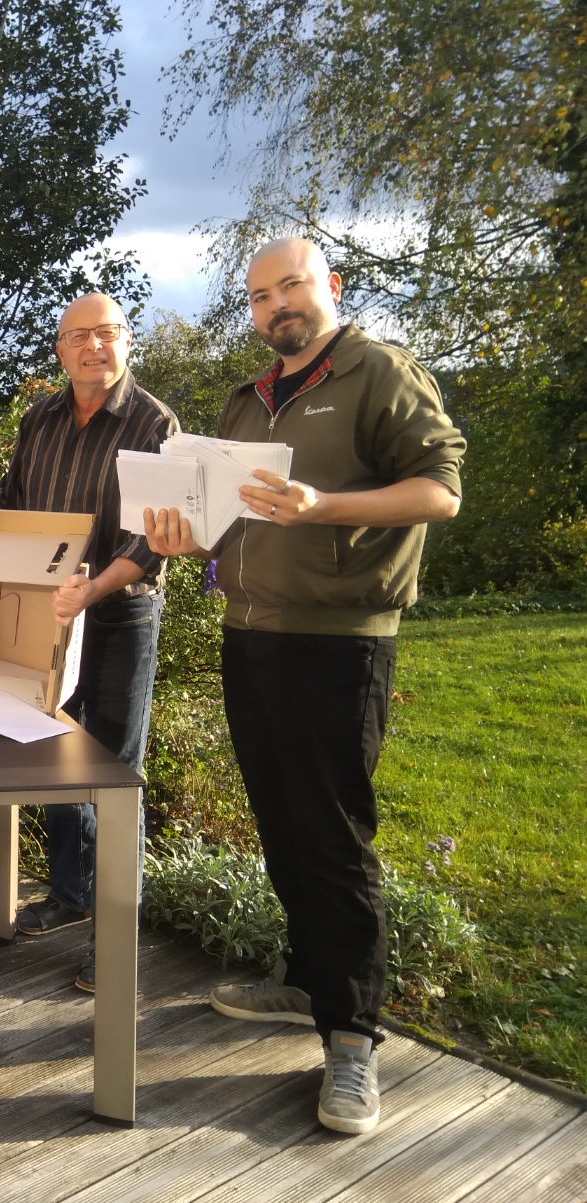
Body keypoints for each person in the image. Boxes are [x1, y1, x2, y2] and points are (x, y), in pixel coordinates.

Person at [145, 237, 465, 1136]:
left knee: (331, 839)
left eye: (290, 285)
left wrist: (325, 507)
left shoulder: (378, 373)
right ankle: (303, 981)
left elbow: (438, 492)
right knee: (280, 821)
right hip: (250, 635)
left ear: (331, 286)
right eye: (258, 295)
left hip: (338, 643)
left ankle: (352, 1036)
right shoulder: (245, 399)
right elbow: (223, 524)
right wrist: (182, 540)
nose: (275, 304)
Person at [0, 292, 179, 994]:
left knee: (113, 772)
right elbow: (11, 507)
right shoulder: (38, 418)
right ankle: (70, 894)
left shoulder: (154, 422)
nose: (93, 346)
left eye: (106, 333)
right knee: (51, 754)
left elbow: (151, 540)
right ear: (60, 350)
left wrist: (92, 588)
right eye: (78, 336)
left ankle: (113, 935)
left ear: (127, 341)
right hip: (47, 612)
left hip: (119, 615)